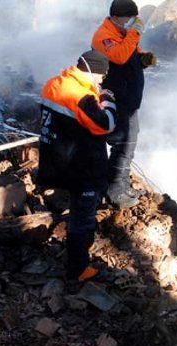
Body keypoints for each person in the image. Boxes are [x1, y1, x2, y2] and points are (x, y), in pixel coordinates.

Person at [38, 50, 117, 282]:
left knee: (79, 212)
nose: (102, 81)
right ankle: (78, 268)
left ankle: (83, 245)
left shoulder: (53, 83)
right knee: (82, 217)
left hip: (56, 162)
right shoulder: (82, 97)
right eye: (101, 77)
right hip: (81, 168)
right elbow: (107, 124)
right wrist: (108, 100)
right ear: (92, 71)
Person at [91, 0, 157, 208]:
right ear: (117, 17)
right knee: (123, 144)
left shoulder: (122, 33)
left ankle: (120, 183)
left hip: (128, 98)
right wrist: (135, 32)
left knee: (129, 144)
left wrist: (143, 59)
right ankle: (115, 190)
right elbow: (119, 57)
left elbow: (130, 54)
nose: (133, 22)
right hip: (115, 99)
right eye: (130, 18)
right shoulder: (103, 36)